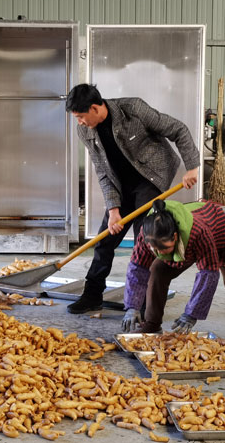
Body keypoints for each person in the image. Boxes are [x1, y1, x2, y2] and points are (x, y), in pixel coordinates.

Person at [65, 84, 200, 314]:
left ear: (95, 108)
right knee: (105, 239)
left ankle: (146, 302)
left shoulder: (133, 109)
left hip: (150, 177)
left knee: (144, 239)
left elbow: (178, 129)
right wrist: (113, 208)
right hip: (120, 184)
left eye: (80, 117)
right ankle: (92, 295)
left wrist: (193, 167)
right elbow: (102, 170)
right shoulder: (85, 131)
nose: (79, 122)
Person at [121, 199, 225, 355]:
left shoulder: (198, 233)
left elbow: (208, 275)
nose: (160, 253)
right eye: (155, 249)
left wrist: (191, 314)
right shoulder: (148, 232)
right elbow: (137, 270)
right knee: (157, 269)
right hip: (196, 238)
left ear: (175, 236)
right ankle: (152, 323)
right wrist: (132, 307)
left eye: (165, 249)